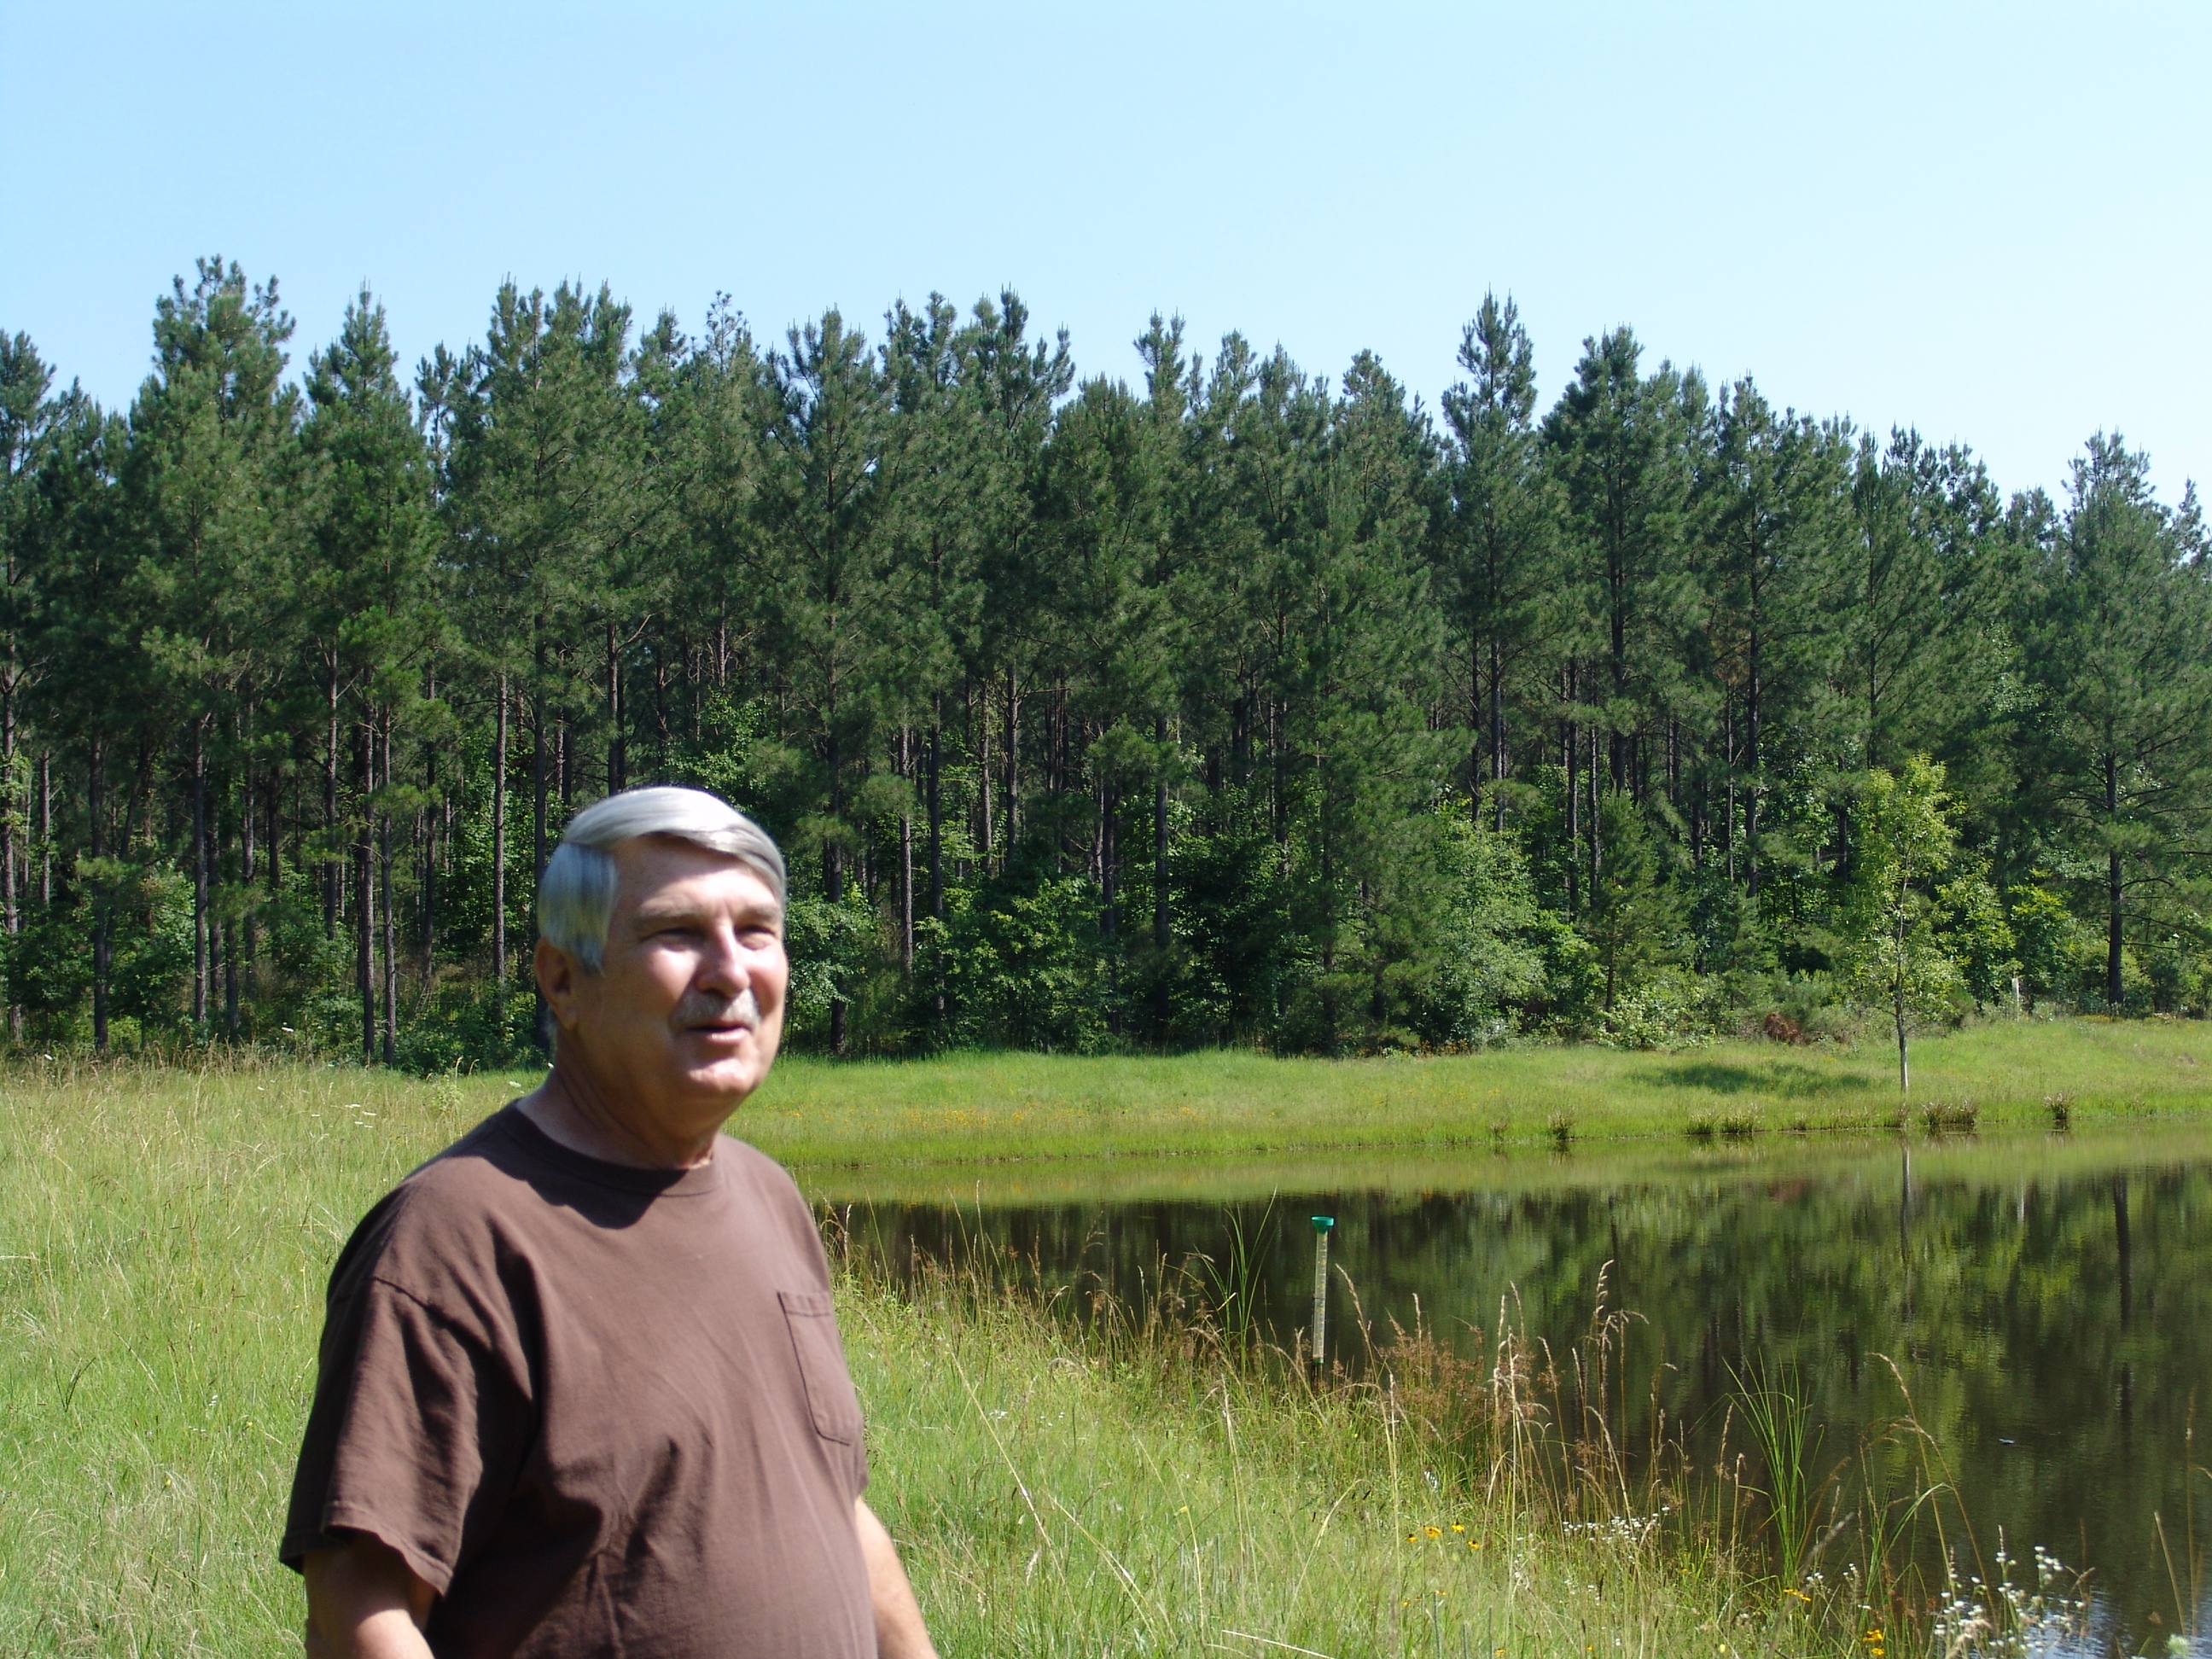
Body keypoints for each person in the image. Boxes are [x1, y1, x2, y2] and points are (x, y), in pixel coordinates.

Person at [282, 786, 937, 1659]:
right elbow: (358, 1596)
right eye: (676, 933)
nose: (730, 972)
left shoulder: (769, 1198)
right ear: (564, 979)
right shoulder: (457, 1238)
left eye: (756, 931)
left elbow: (835, 1506)